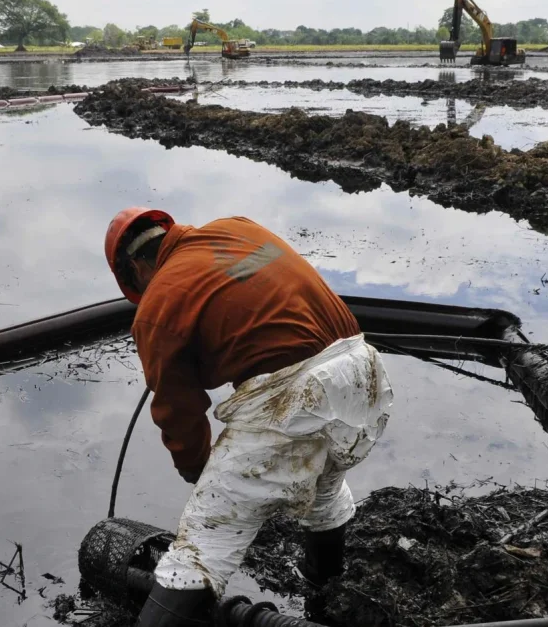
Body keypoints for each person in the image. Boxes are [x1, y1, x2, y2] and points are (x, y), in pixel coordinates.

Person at [104, 208, 394, 627]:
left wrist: (198, 470)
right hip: (362, 371)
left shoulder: (159, 302)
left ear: (135, 267)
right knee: (325, 490)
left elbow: (177, 410)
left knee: (204, 540)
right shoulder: (236, 230)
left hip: (297, 393)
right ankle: (325, 598)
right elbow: (247, 294)